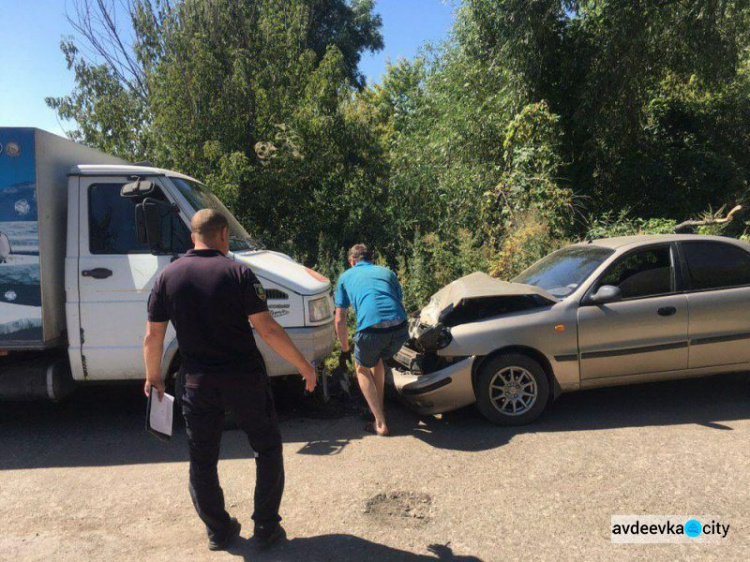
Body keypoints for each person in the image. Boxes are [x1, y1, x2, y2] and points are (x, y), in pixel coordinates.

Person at [143, 209, 316, 552]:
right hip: (244, 380)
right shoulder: (238, 272)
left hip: (196, 383)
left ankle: (219, 531)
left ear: (193, 236)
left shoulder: (167, 277)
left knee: (202, 459)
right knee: (266, 449)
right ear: (222, 234)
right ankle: (266, 527)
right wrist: (303, 364)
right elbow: (266, 328)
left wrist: (154, 378)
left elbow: (153, 337)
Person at [334, 244, 408, 436]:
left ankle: (380, 423)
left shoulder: (345, 277)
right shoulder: (387, 272)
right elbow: (400, 303)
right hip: (400, 329)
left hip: (371, 330)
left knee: (361, 368)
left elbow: (340, 319)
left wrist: (344, 348)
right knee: (376, 361)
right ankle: (379, 410)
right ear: (371, 259)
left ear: (352, 261)